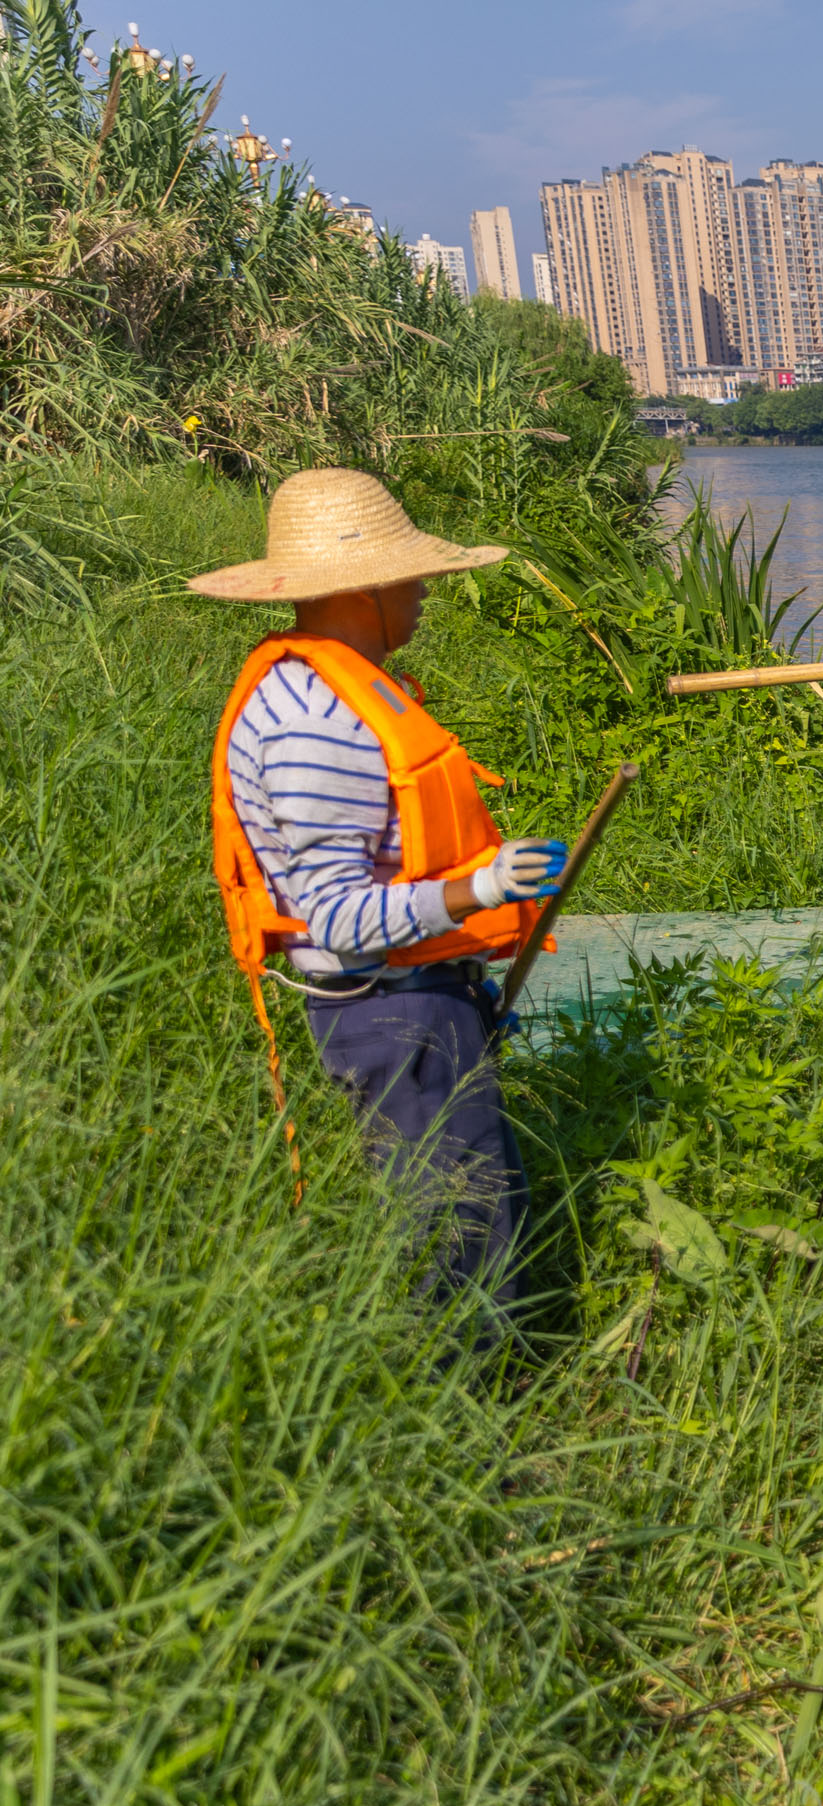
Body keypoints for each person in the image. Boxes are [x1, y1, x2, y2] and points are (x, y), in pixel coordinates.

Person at [202, 469, 571, 1306]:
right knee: (454, 1243)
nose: (421, 596)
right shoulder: (311, 721)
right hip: (389, 1011)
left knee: (481, 1215)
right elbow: (332, 917)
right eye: (412, 579)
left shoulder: (340, 688)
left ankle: (487, 1398)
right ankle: (460, 1419)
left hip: (421, 998)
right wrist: (474, 890)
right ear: (365, 588)